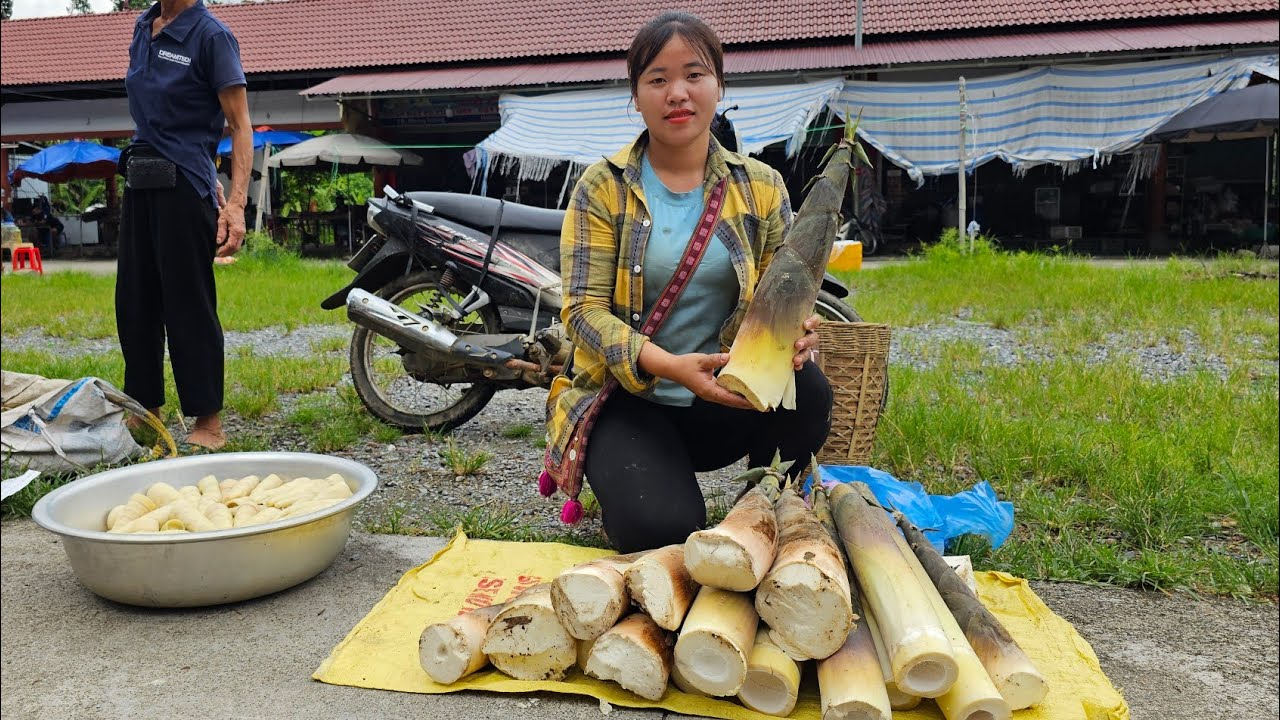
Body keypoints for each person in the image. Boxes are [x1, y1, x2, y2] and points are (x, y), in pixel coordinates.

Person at [544, 12, 833, 553]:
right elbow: (581, 312)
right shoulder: (602, 188)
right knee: (661, 534)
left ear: (719, 85)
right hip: (632, 399)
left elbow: (783, 298)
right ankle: (645, 486)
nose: (677, 93)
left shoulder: (762, 187)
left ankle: (771, 508)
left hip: (726, 394)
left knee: (809, 389)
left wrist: (797, 333)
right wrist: (668, 365)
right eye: (657, 79)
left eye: (694, 75)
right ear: (636, 95)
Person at [117, 0, 252, 451]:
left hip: (184, 187)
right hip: (140, 178)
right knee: (135, 301)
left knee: (187, 303)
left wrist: (235, 203)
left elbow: (239, 123)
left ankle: (207, 422)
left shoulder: (211, 36)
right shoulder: (143, 27)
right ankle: (145, 412)